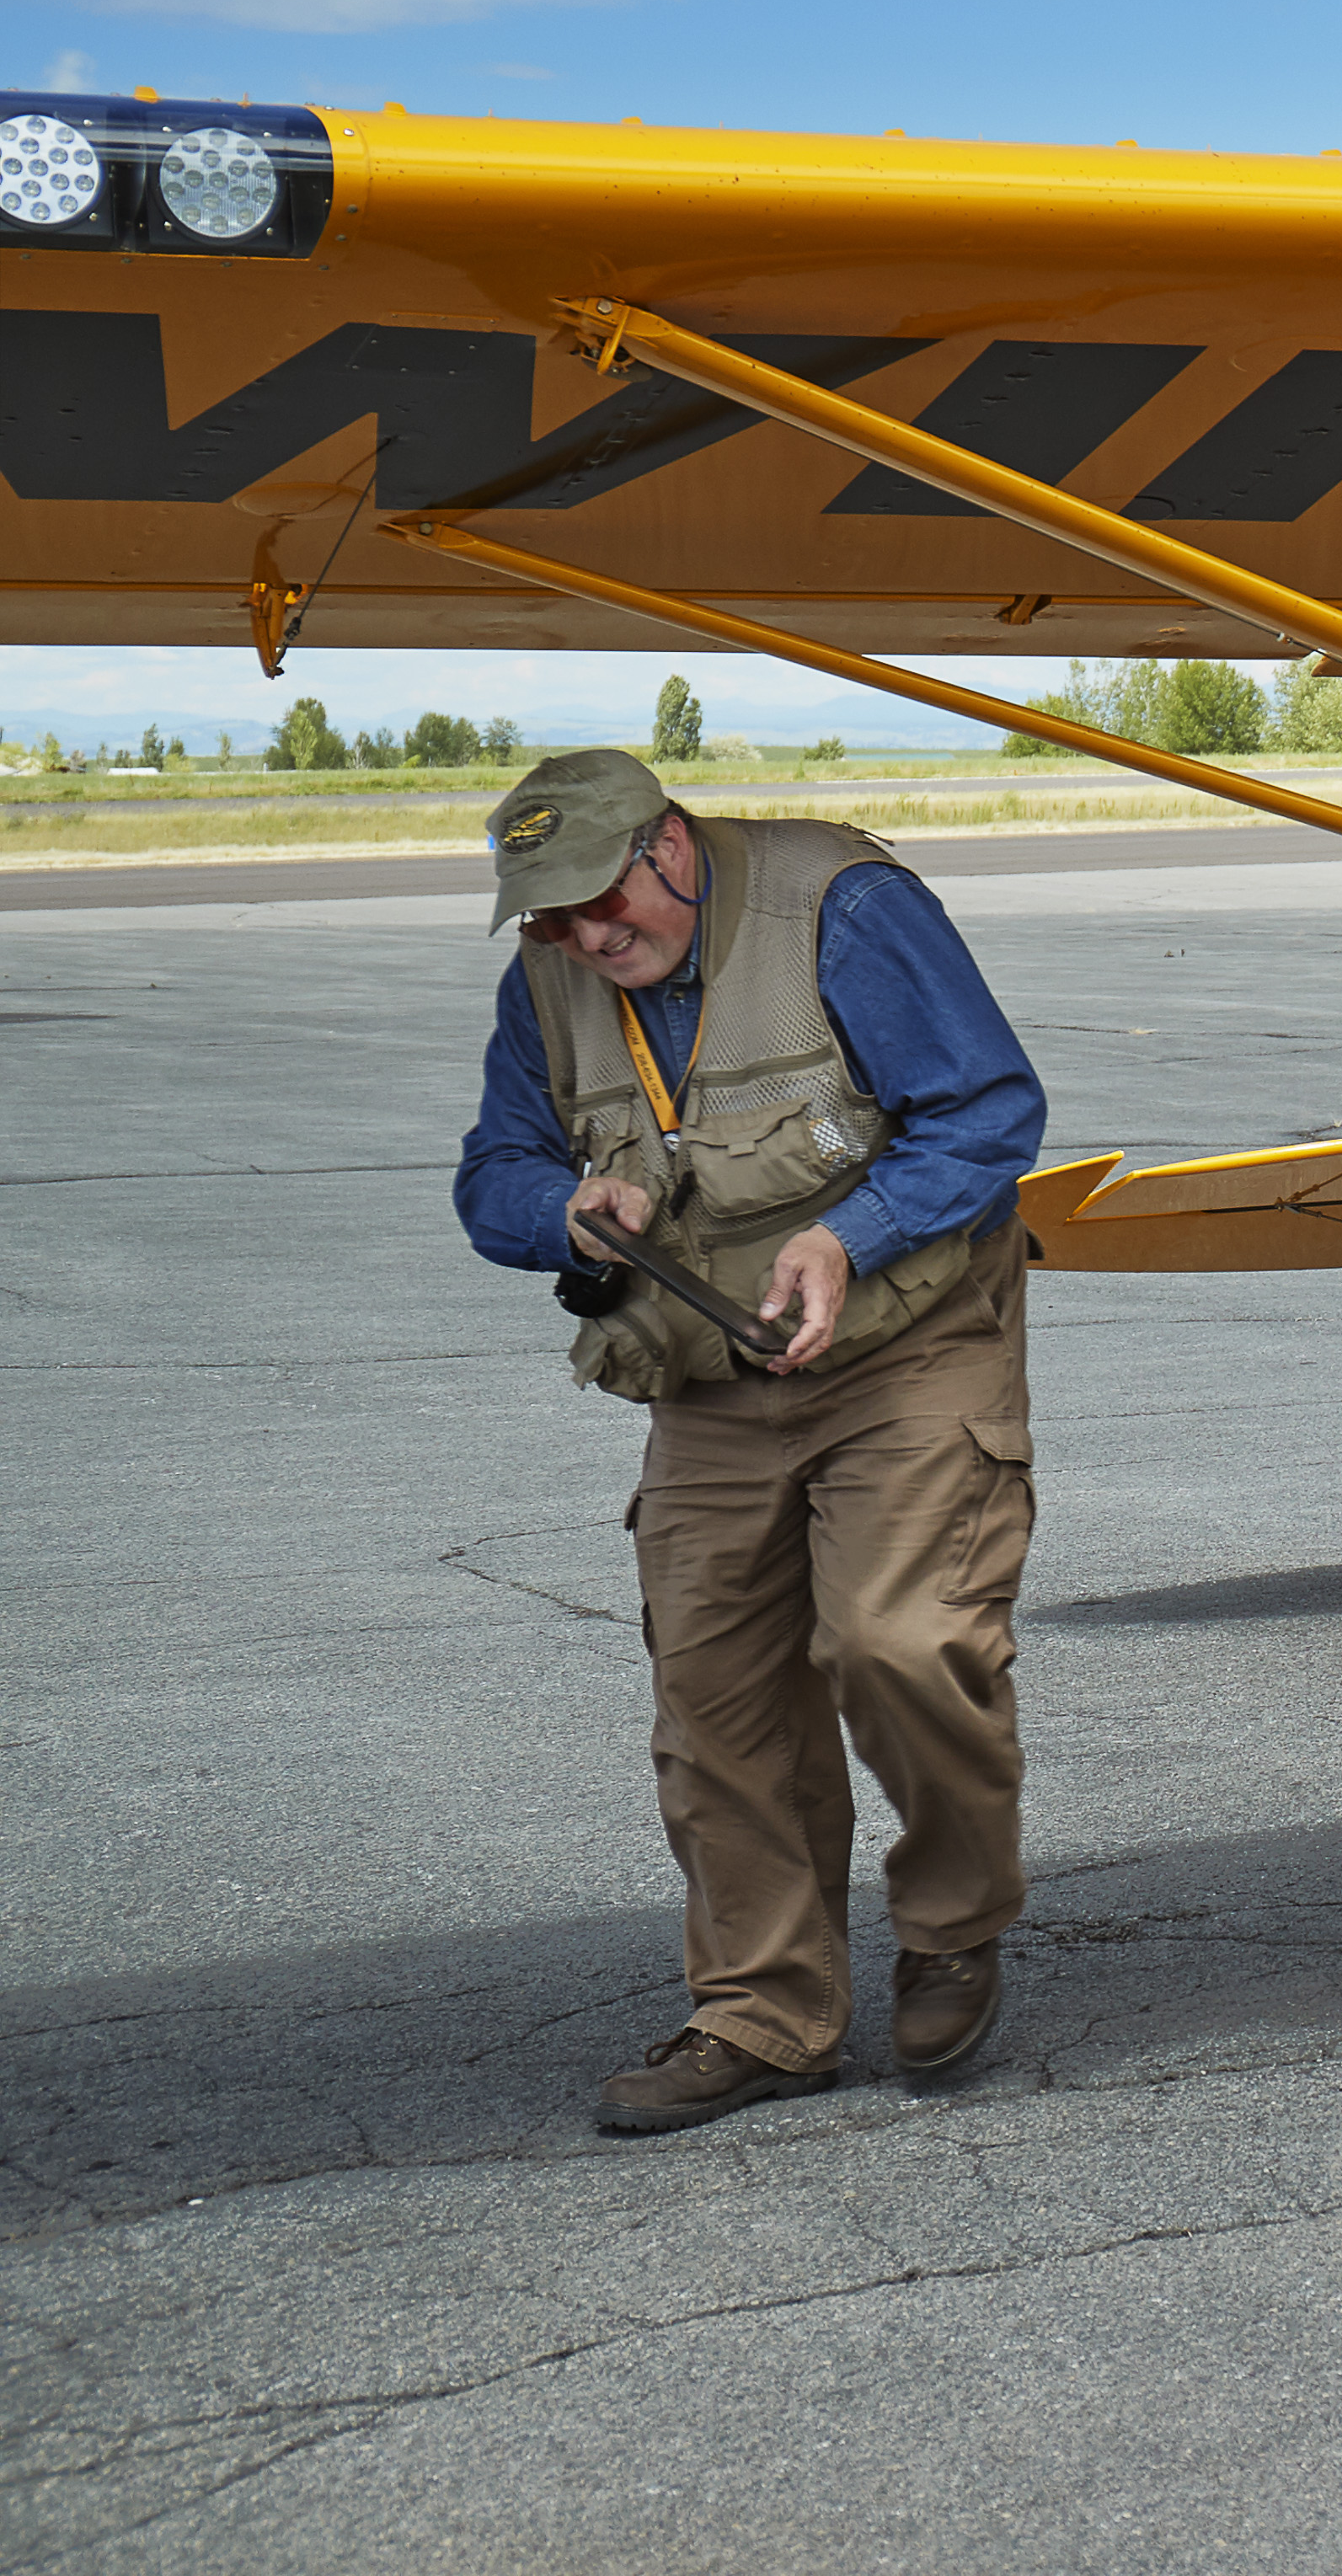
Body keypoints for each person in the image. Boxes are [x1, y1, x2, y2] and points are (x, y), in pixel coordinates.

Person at [450, 746, 1049, 2136]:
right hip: (711, 1369)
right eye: (550, 919)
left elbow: (989, 1113)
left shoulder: (841, 906)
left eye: (600, 900)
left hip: (905, 1338)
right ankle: (766, 2015)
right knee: (716, 1694)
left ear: (667, 846)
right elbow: (495, 1172)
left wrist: (851, 1235)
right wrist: (565, 1211)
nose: (585, 938)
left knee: (903, 1641)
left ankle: (953, 1926)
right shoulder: (549, 981)